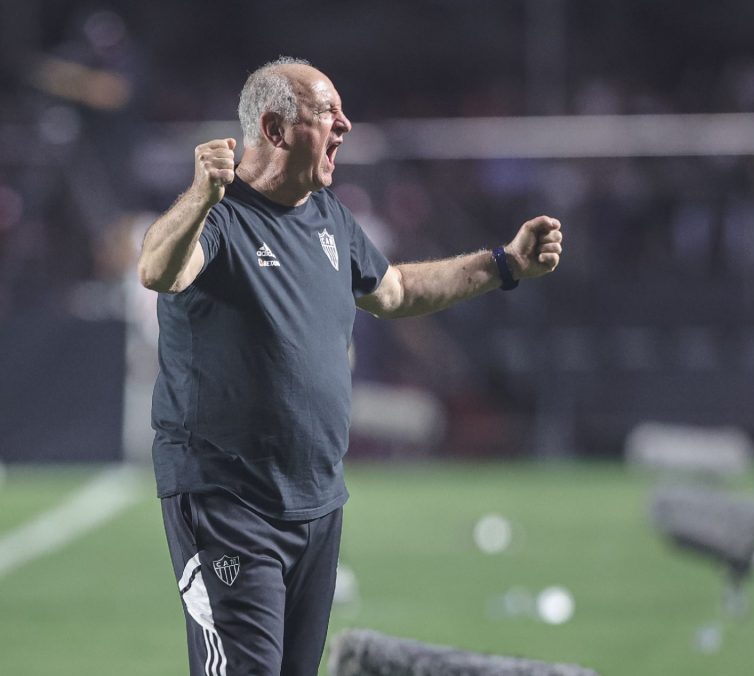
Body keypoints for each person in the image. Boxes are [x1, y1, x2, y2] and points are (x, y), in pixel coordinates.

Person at [137, 56, 563, 676]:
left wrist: (505, 265)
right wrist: (201, 195)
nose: (346, 125)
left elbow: (393, 291)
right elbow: (157, 270)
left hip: (315, 503)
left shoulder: (327, 215)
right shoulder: (221, 218)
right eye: (326, 113)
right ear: (276, 128)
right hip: (230, 502)